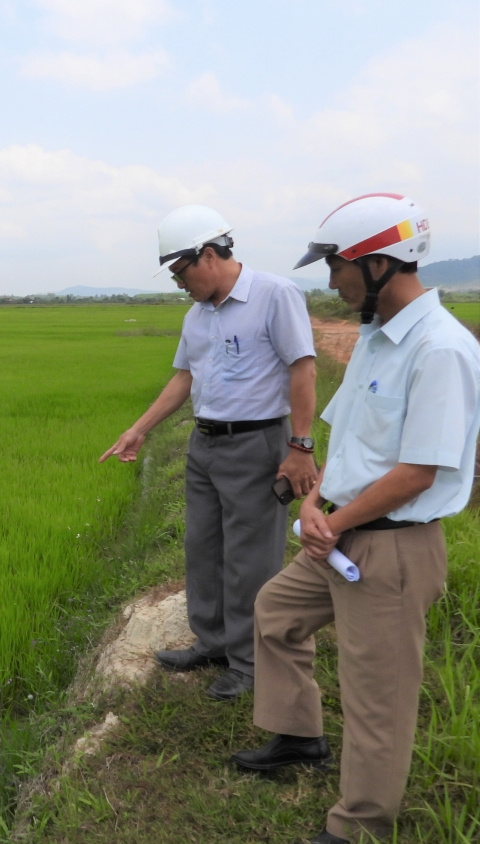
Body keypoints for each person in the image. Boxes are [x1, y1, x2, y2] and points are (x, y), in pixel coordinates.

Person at [231, 193, 480, 844]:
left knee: (378, 693)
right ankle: (300, 737)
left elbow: (417, 472)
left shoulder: (441, 350)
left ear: (377, 263)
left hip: (392, 547)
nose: (331, 279)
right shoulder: (376, 338)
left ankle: (362, 823)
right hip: (343, 529)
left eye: (336, 264)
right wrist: (316, 503)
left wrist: (336, 523)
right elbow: (354, 447)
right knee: (276, 612)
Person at [101, 205, 318, 701]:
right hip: (205, 443)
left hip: (257, 441)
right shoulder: (196, 316)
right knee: (202, 547)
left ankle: (250, 662)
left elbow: (302, 369)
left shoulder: (273, 295)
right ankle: (214, 642)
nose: (179, 283)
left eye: (181, 272)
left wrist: (300, 447)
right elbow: (185, 378)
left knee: (250, 559)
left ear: (208, 255)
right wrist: (139, 431)